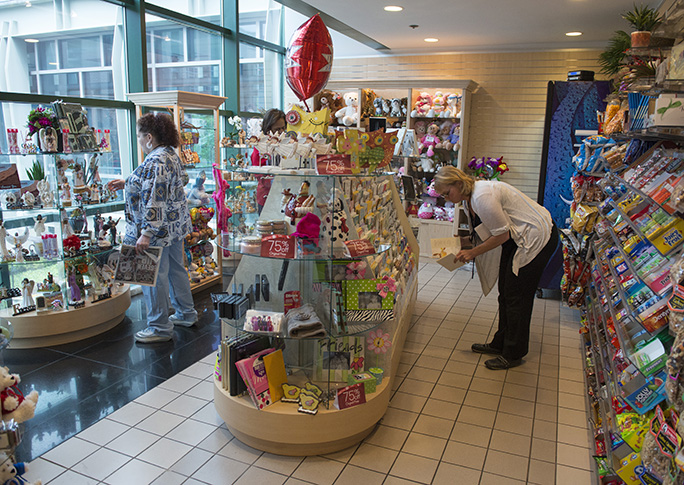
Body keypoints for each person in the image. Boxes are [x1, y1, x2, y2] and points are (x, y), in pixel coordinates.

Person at [433, 166, 559, 370]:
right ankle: (500, 343)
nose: (447, 198)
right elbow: (487, 230)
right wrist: (461, 243)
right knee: (506, 293)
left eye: (447, 193)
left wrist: (472, 253)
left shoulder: (482, 195)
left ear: (458, 183)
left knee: (517, 296)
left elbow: (501, 235)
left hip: (535, 237)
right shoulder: (469, 198)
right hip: (517, 237)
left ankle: (513, 353)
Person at [107, 113, 198, 344]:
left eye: (139, 137)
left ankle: (158, 327)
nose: (139, 141)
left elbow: (155, 198)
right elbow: (171, 182)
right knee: (176, 270)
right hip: (174, 227)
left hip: (156, 231)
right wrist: (129, 181)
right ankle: (186, 313)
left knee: (152, 276)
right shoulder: (169, 154)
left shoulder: (155, 160)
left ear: (149, 137)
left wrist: (146, 233)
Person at [251, 109, 286, 214]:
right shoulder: (260, 146)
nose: (281, 132)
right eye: (277, 129)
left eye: (283, 128)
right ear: (268, 129)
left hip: (285, 194)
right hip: (267, 195)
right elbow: (258, 173)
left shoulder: (286, 143)